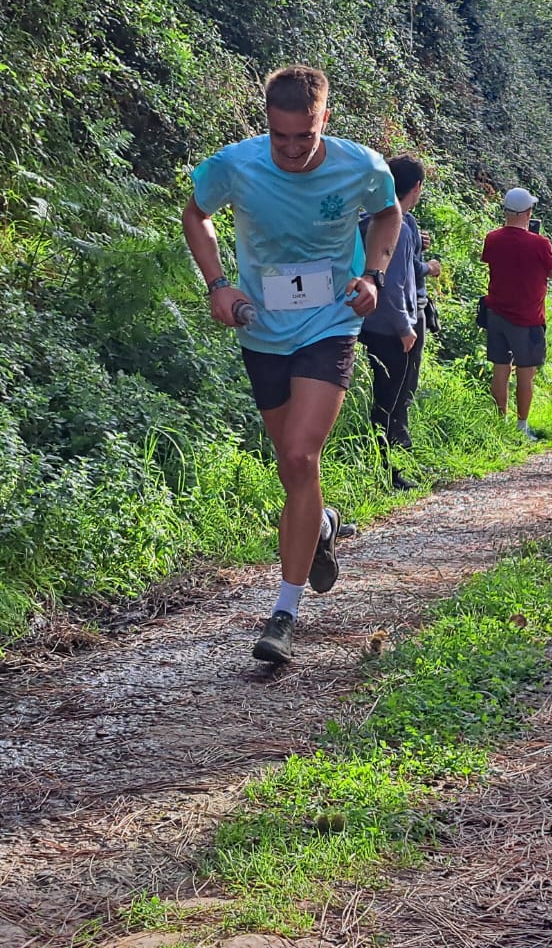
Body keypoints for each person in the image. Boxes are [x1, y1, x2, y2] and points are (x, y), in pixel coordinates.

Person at [182, 65, 401, 665]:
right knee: (291, 469)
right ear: (267, 126)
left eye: (304, 137)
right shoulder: (236, 165)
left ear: (323, 119)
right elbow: (194, 215)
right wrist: (218, 285)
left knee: (303, 456)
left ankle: (284, 613)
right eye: (281, 138)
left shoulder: (361, 166)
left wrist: (374, 276)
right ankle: (322, 525)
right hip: (262, 326)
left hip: (331, 321)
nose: (292, 150)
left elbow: (388, 214)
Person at [359, 156, 431, 491]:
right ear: (415, 187)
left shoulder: (371, 219)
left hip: (367, 323)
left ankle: (390, 463)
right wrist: (405, 327)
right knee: (394, 400)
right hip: (393, 326)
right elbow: (394, 282)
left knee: (386, 398)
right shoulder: (398, 225)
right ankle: (391, 471)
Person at [481, 187, 552, 441]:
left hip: (496, 313)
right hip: (528, 319)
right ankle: (522, 426)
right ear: (528, 212)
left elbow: (491, 261)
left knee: (500, 368)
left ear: (505, 211)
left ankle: (499, 422)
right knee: (526, 373)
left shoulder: (492, 238)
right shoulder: (540, 244)